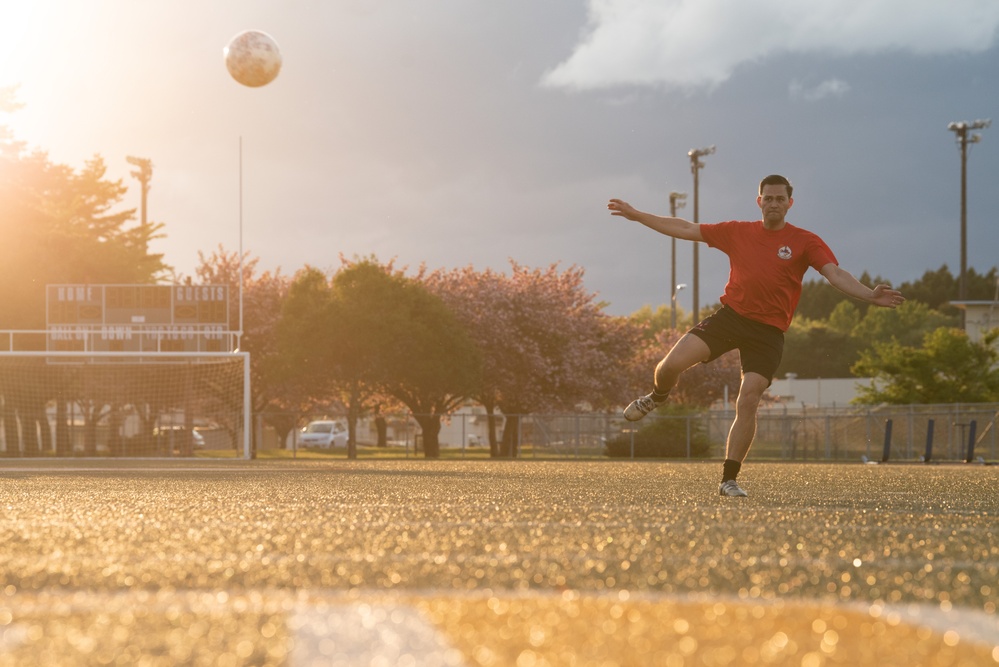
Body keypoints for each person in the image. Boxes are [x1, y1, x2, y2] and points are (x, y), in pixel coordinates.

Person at [608, 174, 904, 497]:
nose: (774, 203)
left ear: (790, 204)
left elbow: (835, 274)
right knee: (669, 366)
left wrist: (869, 295)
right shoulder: (737, 232)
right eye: (769, 198)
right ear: (758, 201)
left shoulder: (806, 241)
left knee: (748, 397)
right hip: (731, 318)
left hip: (768, 333)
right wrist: (638, 216)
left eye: (780, 199)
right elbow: (685, 228)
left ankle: (728, 479)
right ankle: (657, 396)